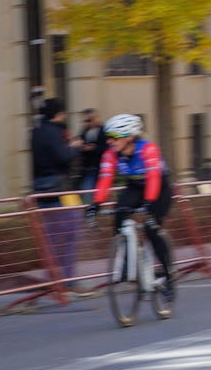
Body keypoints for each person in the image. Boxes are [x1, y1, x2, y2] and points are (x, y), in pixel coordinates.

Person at [86, 113, 176, 300]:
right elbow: (105, 180)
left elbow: (153, 179)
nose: (109, 141)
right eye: (108, 137)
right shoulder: (110, 154)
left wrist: (149, 205)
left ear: (129, 137)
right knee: (119, 215)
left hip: (159, 188)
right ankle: (128, 263)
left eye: (114, 137)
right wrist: (95, 204)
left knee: (151, 228)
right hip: (135, 186)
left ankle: (168, 276)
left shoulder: (148, 149)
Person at [31, 98, 83, 282]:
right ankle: (67, 280)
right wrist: (74, 148)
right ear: (59, 114)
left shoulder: (36, 132)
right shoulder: (55, 132)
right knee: (72, 231)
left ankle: (52, 279)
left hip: (41, 188)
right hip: (61, 188)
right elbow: (63, 157)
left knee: (50, 237)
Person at [78, 109, 105, 191]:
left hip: (101, 166)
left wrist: (95, 148)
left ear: (96, 117)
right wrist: (82, 147)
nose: (88, 123)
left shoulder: (104, 130)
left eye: (90, 120)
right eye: (86, 121)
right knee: (87, 190)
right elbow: (81, 144)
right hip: (88, 167)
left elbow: (108, 147)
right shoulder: (84, 131)